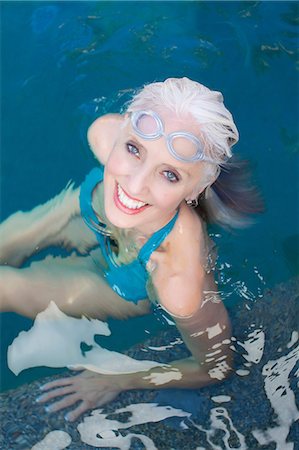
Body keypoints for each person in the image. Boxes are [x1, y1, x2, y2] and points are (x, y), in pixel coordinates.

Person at [0, 77, 252, 422]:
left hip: (126, 278)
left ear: (196, 189)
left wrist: (120, 378)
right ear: (123, 130)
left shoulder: (178, 281)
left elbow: (216, 366)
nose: (134, 184)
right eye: (134, 149)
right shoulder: (104, 133)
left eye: (171, 175)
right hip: (90, 217)